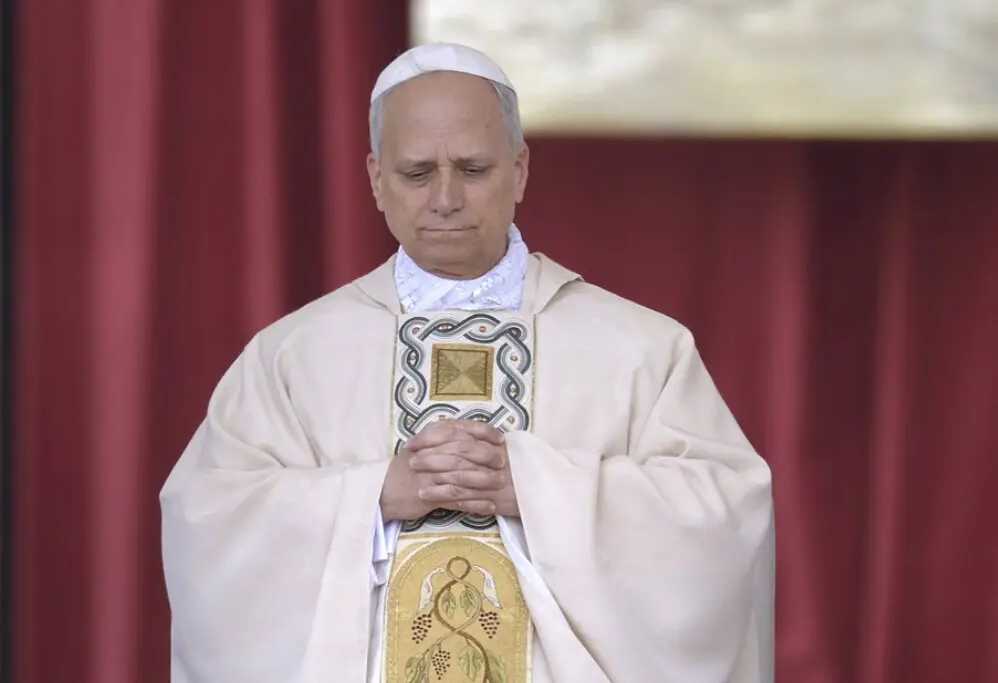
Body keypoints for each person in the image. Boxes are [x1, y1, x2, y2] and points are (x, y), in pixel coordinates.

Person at [160, 42, 775, 683]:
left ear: (520, 169)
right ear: (375, 179)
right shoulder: (293, 357)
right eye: (417, 172)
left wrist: (536, 489)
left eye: (474, 169)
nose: (446, 198)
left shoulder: (641, 350)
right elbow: (208, 523)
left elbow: (726, 519)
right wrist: (372, 498)